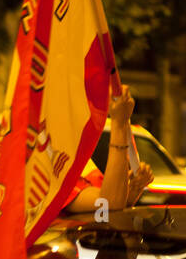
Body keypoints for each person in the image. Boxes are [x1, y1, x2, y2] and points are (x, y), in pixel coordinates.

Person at [63, 85, 154, 214]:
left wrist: (130, 192)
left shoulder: (75, 159)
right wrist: (119, 123)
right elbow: (108, 202)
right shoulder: (52, 164)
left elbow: (105, 212)